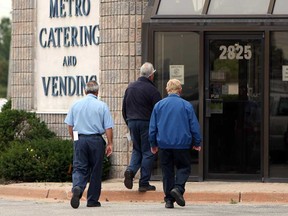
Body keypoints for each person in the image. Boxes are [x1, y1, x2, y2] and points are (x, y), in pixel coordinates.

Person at [149, 79, 202, 209]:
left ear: (167, 90)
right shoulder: (186, 105)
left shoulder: (159, 106)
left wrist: (153, 143)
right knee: (184, 167)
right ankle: (178, 189)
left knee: (167, 172)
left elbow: (152, 127)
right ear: (180, 90)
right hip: (182, 144)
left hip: (164, 145)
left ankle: (168, 200)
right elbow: (194, 126)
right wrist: (197, 142)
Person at [64, 81, 114, 209]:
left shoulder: (75, 105)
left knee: (79, 167)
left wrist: (76, 139)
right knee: (96, 170)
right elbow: (108, 127)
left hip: (80, 139)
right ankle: (92, 200)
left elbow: (70, 126)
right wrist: (110, 143)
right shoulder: (102, 106)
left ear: (85, 91)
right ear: (97, 92)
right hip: (96, 140)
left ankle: (78, 187)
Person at [122, 62, 162, 192]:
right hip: (147, 123)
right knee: (148, 152)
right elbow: (158, 112)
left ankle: (130, 170)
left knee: (137, 150)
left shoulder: (130, 87)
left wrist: (129, 123)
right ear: (151, 75)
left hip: (132, 121)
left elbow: (124, 109)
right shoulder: (153, 90)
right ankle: (144, 182)